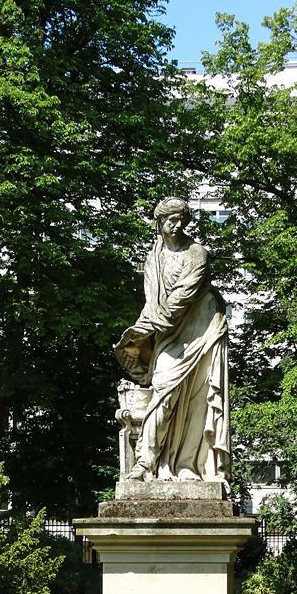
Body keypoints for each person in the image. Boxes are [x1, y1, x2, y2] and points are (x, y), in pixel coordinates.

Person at [114, 196, 230, 483]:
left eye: (181, 220)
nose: (176, 225)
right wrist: (137, 336)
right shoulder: (153, 258)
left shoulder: (196, 254)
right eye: (170, 220)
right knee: (163, 389)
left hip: (201, 329)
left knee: (197, 399)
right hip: (170, 334)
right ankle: (146, 461)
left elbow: (180, 299)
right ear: (159, 222)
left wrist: (141, 331)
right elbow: (152, 304)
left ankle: (188, 465)